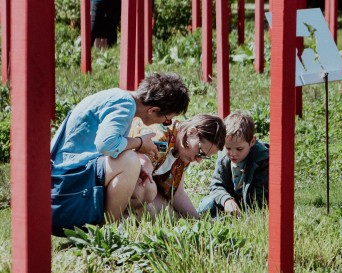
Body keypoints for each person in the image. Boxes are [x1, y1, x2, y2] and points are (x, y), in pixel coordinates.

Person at [51, 72, 189, 236]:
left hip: (67, 186)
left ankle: (117, 223)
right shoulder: (124, 104)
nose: (164, 124)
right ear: (153, 110)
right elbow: (106, 144)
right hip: (64, 193)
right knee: (130, 161)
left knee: (146, 188)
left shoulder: (121, 99)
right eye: (167, 120)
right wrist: (139, 144)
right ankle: (106, 232)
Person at [128, 114, 226, 219]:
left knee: (172, 218)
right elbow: (142, 166)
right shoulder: (162, 136)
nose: (199, 160)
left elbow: (177, 194)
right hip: (124, 176)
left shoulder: (184, 150)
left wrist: (198, 221)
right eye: (201, 152)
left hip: (143, 186)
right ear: (192, 132)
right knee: (147, 191)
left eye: (204, 157)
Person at [197, 111, 269, 218]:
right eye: (228, 148)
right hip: (230, 204)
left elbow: (262, 195)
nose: (233, 153)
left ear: (252, 141)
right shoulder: (223, 157)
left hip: (252, 204)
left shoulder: (262, 159)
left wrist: (249, 216)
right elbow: (216, 185)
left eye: (239, 149)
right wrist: (226, 200)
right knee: (207, 205)